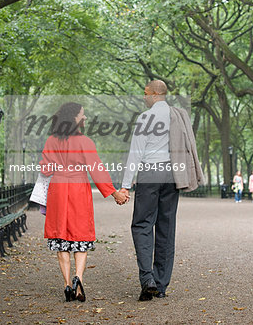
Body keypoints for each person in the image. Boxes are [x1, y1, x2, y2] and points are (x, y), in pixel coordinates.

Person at [120, 80, 204, 301]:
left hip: (150, 174)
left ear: (155, 94)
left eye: (145, 93)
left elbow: (136, 153)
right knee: (167, 227)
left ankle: (147, 278)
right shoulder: (177, 116)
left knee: (142, 224)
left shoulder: (145, 118)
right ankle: (161, 284)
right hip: (172, 175)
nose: (144, 97)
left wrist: (125, 185)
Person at [39, 102, 127, 302]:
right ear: (74, 118)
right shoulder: (85, 142)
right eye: (82, 115)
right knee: (80, 236)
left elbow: (45, 169)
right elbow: (97, 171)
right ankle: (79, 278)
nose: (85, 118)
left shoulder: (51, 141)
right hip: (79, 189)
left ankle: (67, 284)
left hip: (58, 190)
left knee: (60, 235)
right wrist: (115, 193)